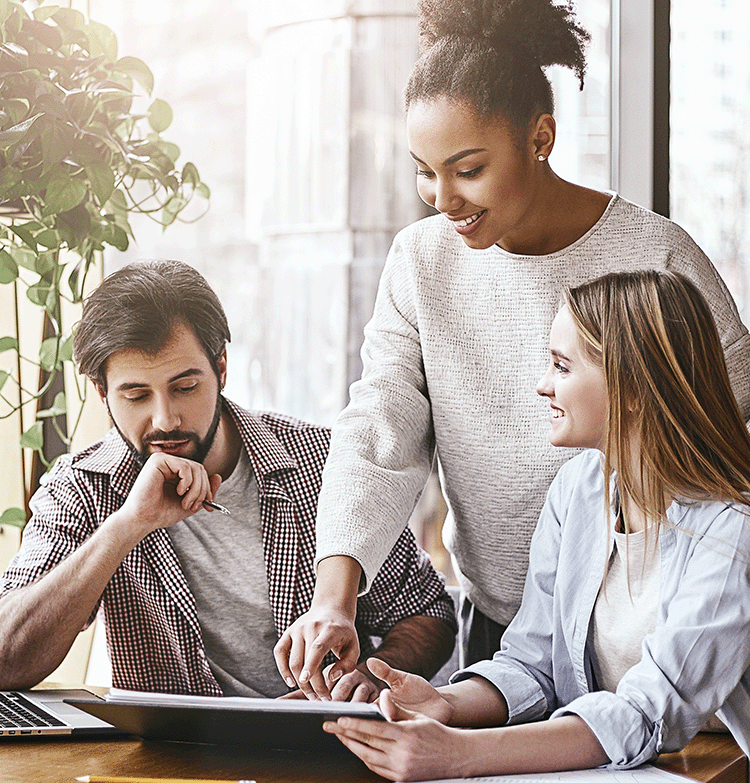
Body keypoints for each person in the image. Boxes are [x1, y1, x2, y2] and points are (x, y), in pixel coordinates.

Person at [274, 0, 750, 698]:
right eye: (423, 170)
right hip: (509, 639)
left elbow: (734, 429)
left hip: (657, 634)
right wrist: (335, 596)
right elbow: (379, 431)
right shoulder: (421, 262)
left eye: (467, 168)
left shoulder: (655, 253)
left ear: (541, 138)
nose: (442, 196)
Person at [324, 270, 750, 780]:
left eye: (562, 366)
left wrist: (455, 755)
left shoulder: (732, 529)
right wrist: (445, 703)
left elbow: (648, 713)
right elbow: (532, 664)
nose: (543, 385)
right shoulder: (578, 492)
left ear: (634, 386)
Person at [0, 260, 456, 700]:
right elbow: (6, 659)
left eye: (185, 387)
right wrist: (125, 527)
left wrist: (367, 679)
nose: (165, 418)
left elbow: (428, 612)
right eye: (136, 395)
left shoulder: (323, 463)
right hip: (173, 765)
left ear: (220, 369)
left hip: (319, 748)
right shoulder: (83, 486)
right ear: (102, 392)